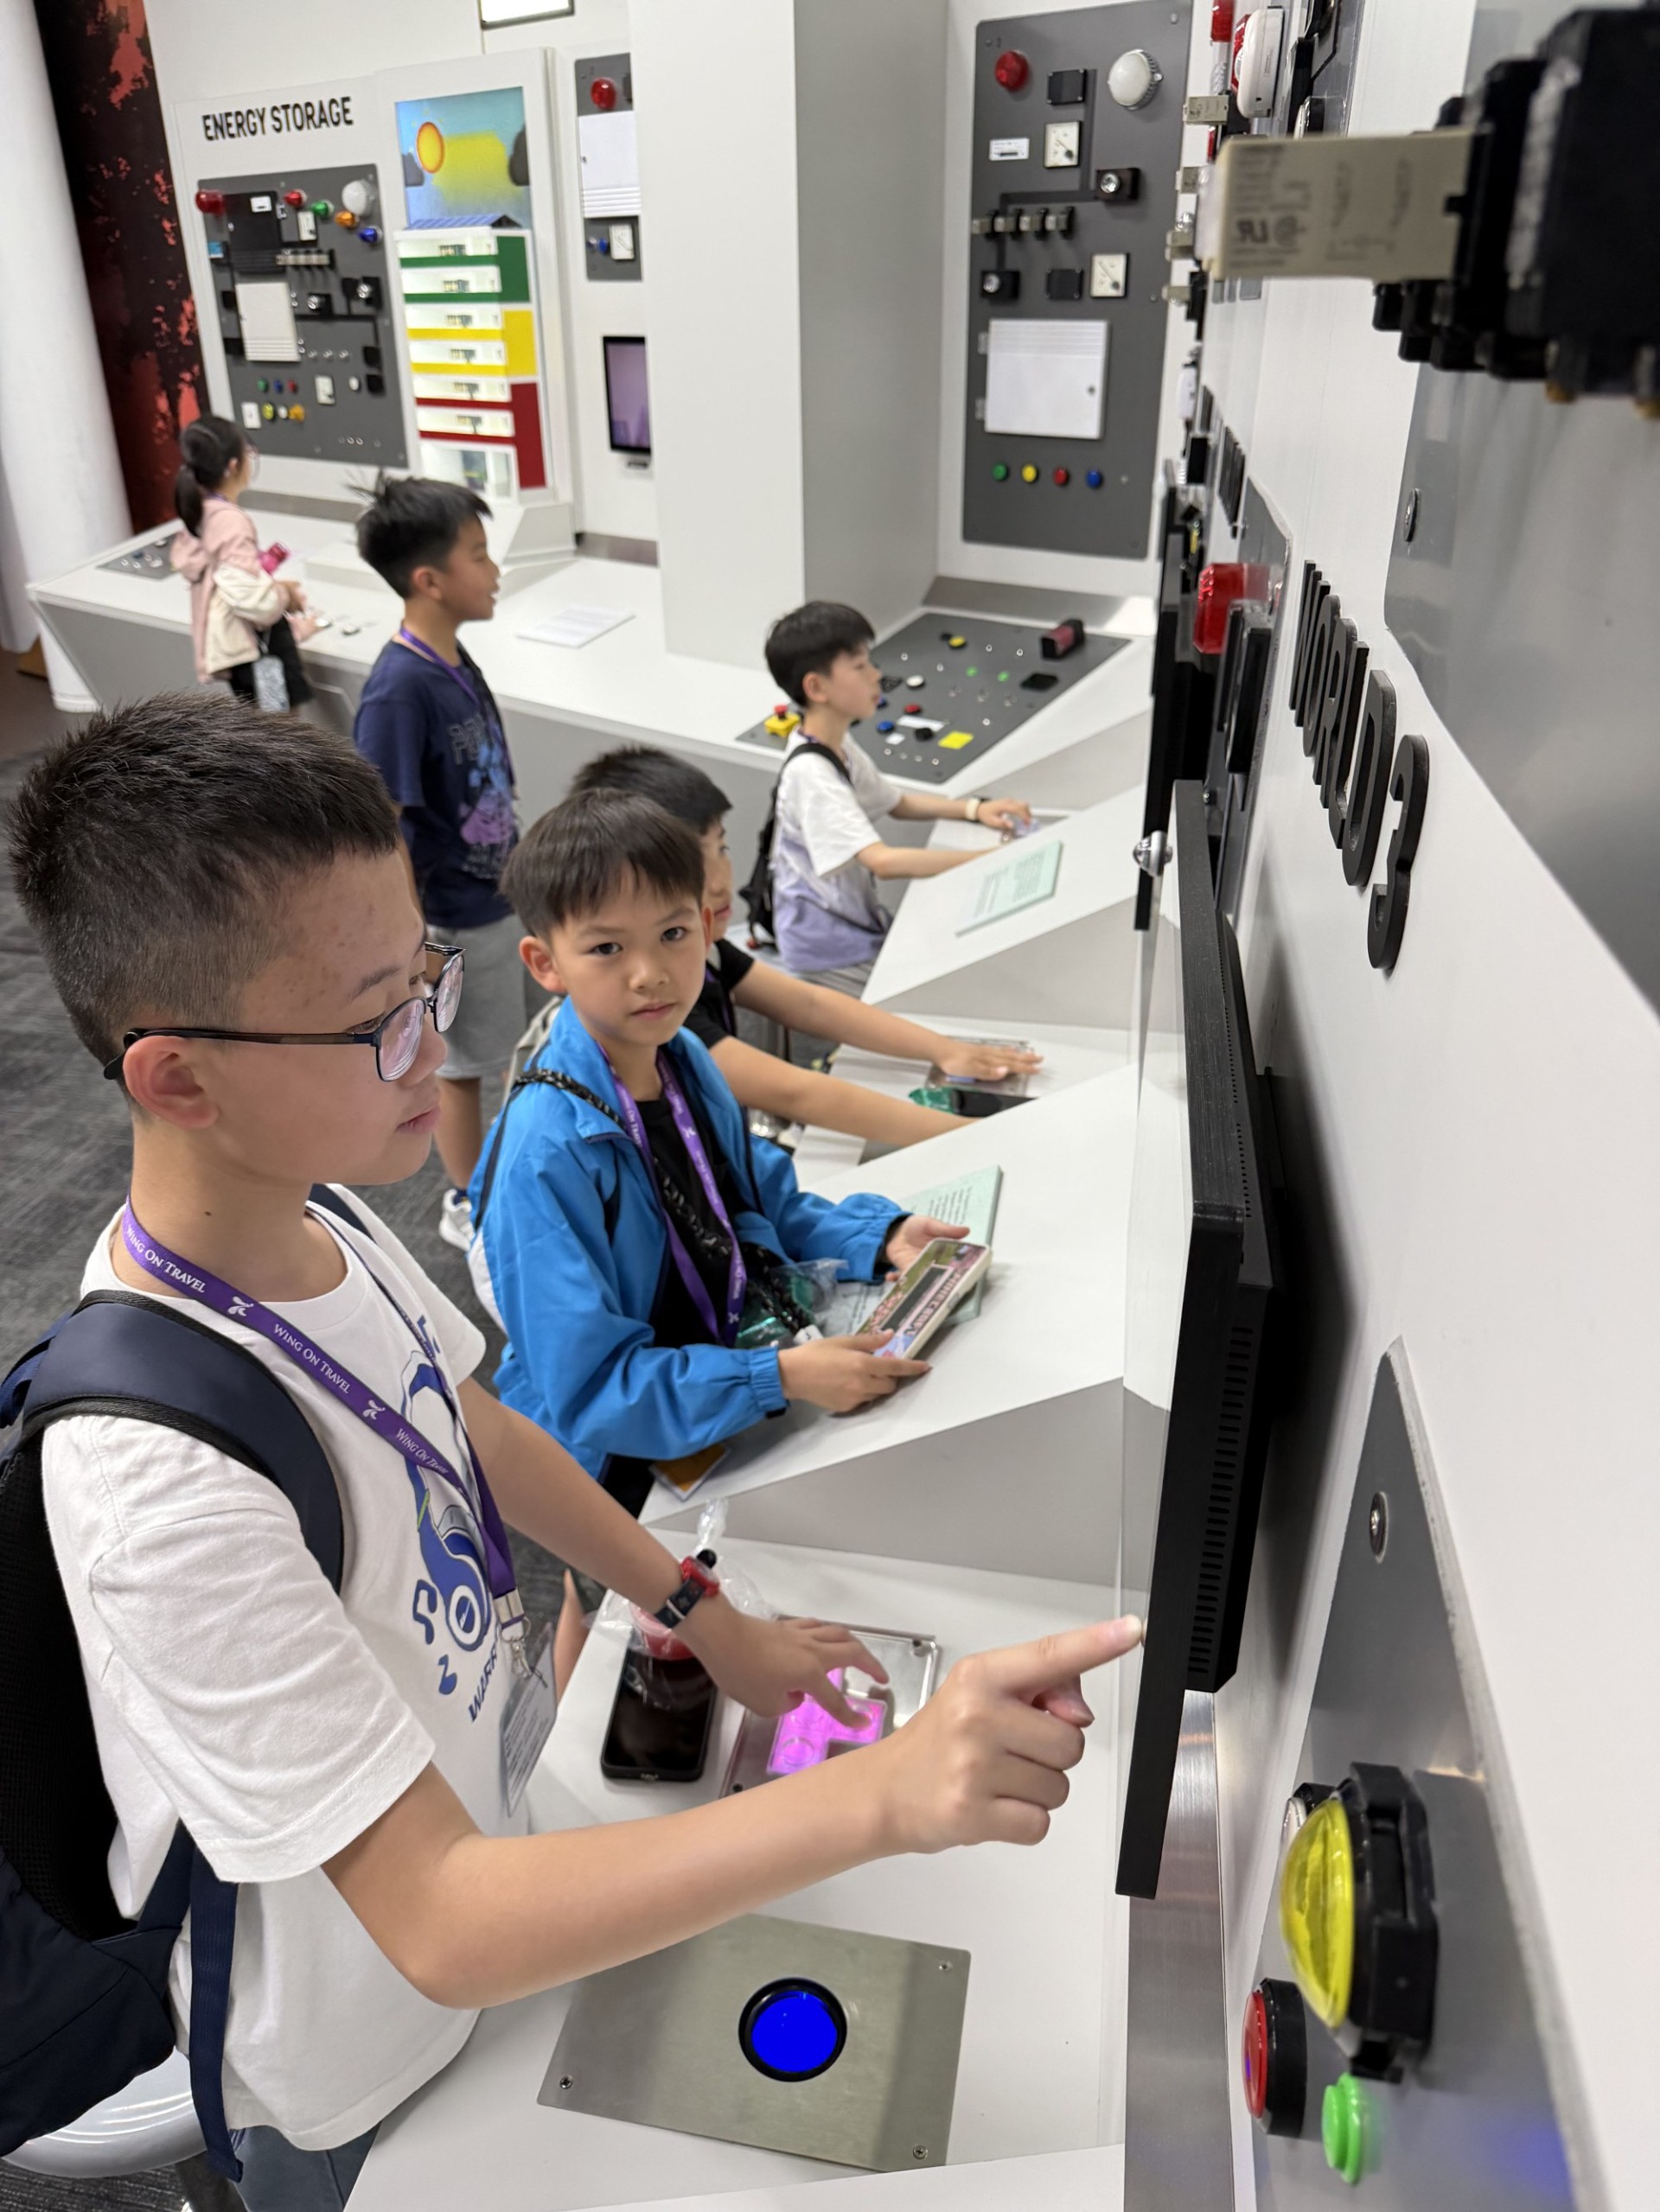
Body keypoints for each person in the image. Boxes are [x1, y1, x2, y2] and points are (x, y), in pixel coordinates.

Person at [10, 694, 1141, 2209]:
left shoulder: (322, 1222)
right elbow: (439, 1915)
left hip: (504, 1870)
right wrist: (884, 1793)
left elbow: (476, 1424)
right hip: (364, 2070)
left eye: (429, 975)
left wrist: (706, 1614)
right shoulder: (158, 1488)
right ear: (179, 1078)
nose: (438, 1047)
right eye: (380, 1019)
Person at [469, 788, 978, 1515]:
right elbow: (587, 1389)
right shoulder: (545, 1152)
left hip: (728, 1367)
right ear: (545, 963)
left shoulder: (682, 1057)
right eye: (607, 948)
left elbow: (761, 1202)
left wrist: (879, 1236)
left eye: (672, 933)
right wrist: (776, 1378)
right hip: (624, 1458)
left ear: (708, 926)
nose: (649, 972)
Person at [570, 744, 1044, 1149]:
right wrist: (973, 1135)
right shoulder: (649, 1005)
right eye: (691, 863)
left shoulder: (702, 949)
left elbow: (810, 1005)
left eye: (721, 849)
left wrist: (945, 1050)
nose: (718, 881)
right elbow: (795, 1093)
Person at [352, 475, 526, 1249]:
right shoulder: (397, 690)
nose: (494, 572)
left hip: (497, 896)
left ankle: (498, 1180)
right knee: (461, 1067)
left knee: (504, 1046)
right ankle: (468, 1202)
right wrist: (410, 937)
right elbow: (382, 824)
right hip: (455, 915)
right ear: (429, 579)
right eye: (479, 556)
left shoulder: (453, 660)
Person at [763, 601, 1034, 1062]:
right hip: (828, 948)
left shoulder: (834, 744)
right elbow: (883, 862)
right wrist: (993, 860)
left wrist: (974, 810)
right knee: (931, 1021)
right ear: (816, 687)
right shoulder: (811, 773)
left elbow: (896, 803)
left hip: (855, 924)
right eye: (859, 666)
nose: (876, 676)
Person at [170, 416, 313, 708]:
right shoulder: (231, 521)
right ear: (234, 465)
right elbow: (250, 599)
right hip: (257, 651)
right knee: (280, 730)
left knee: (261, 724)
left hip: (236, 652)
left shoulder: (201, 513)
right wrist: (286, 595)